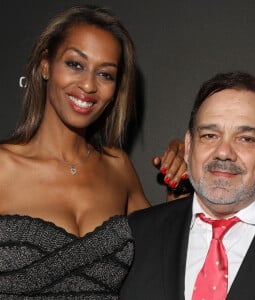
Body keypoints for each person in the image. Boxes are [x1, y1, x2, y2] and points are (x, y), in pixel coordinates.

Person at [0, 5, 189, 298]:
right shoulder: (3, 166)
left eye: (105, 74)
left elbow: (167, 259)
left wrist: (180, 184)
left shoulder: (118, 166)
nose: (88, 85)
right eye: (75, 64)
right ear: (46, 65)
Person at [120, 71, 255, 300]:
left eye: (245, 138)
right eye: (209, 135)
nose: (224, 152)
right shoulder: (136, 234)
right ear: (188, 144)